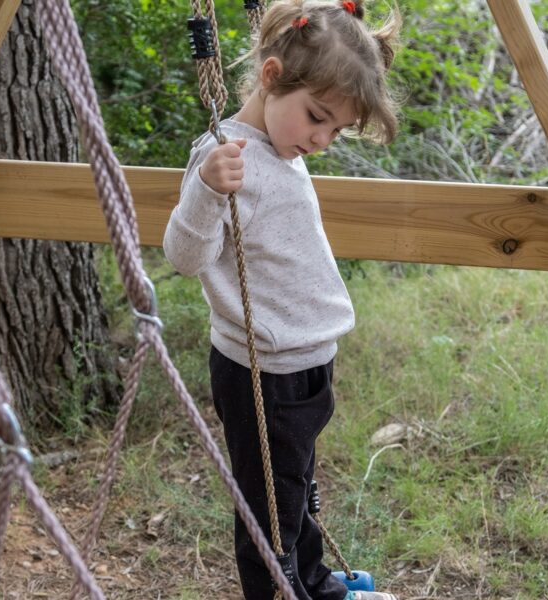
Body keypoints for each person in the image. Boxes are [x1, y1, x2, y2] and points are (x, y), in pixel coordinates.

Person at [163, 0, 401, 597]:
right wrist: (205, 192)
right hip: (262, 373)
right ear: (271, 77)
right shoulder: (225, 158)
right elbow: (184, 258)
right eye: (318, 117)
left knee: (295, 489)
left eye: (337, 129)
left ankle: (316, 583)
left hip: (305, 365)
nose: (323, 139)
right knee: (269, 514)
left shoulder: (282, 146)